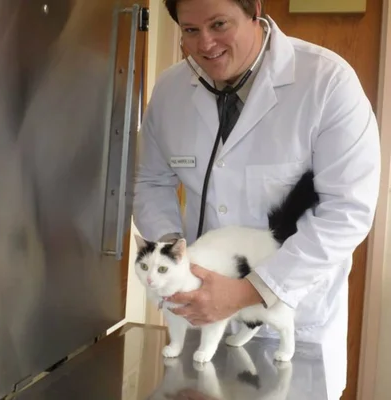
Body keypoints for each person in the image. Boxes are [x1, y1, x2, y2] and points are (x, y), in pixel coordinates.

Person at [133, 0, 381, 398]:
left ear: (255, 11)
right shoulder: (169, 91)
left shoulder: (328, 82)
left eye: (219, 24)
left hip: (296, 327)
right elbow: (151, 182)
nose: (205, 44)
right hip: (199, 320)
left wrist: (249, 292)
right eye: (190, 30)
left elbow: (348, 211)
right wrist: (173, 262)